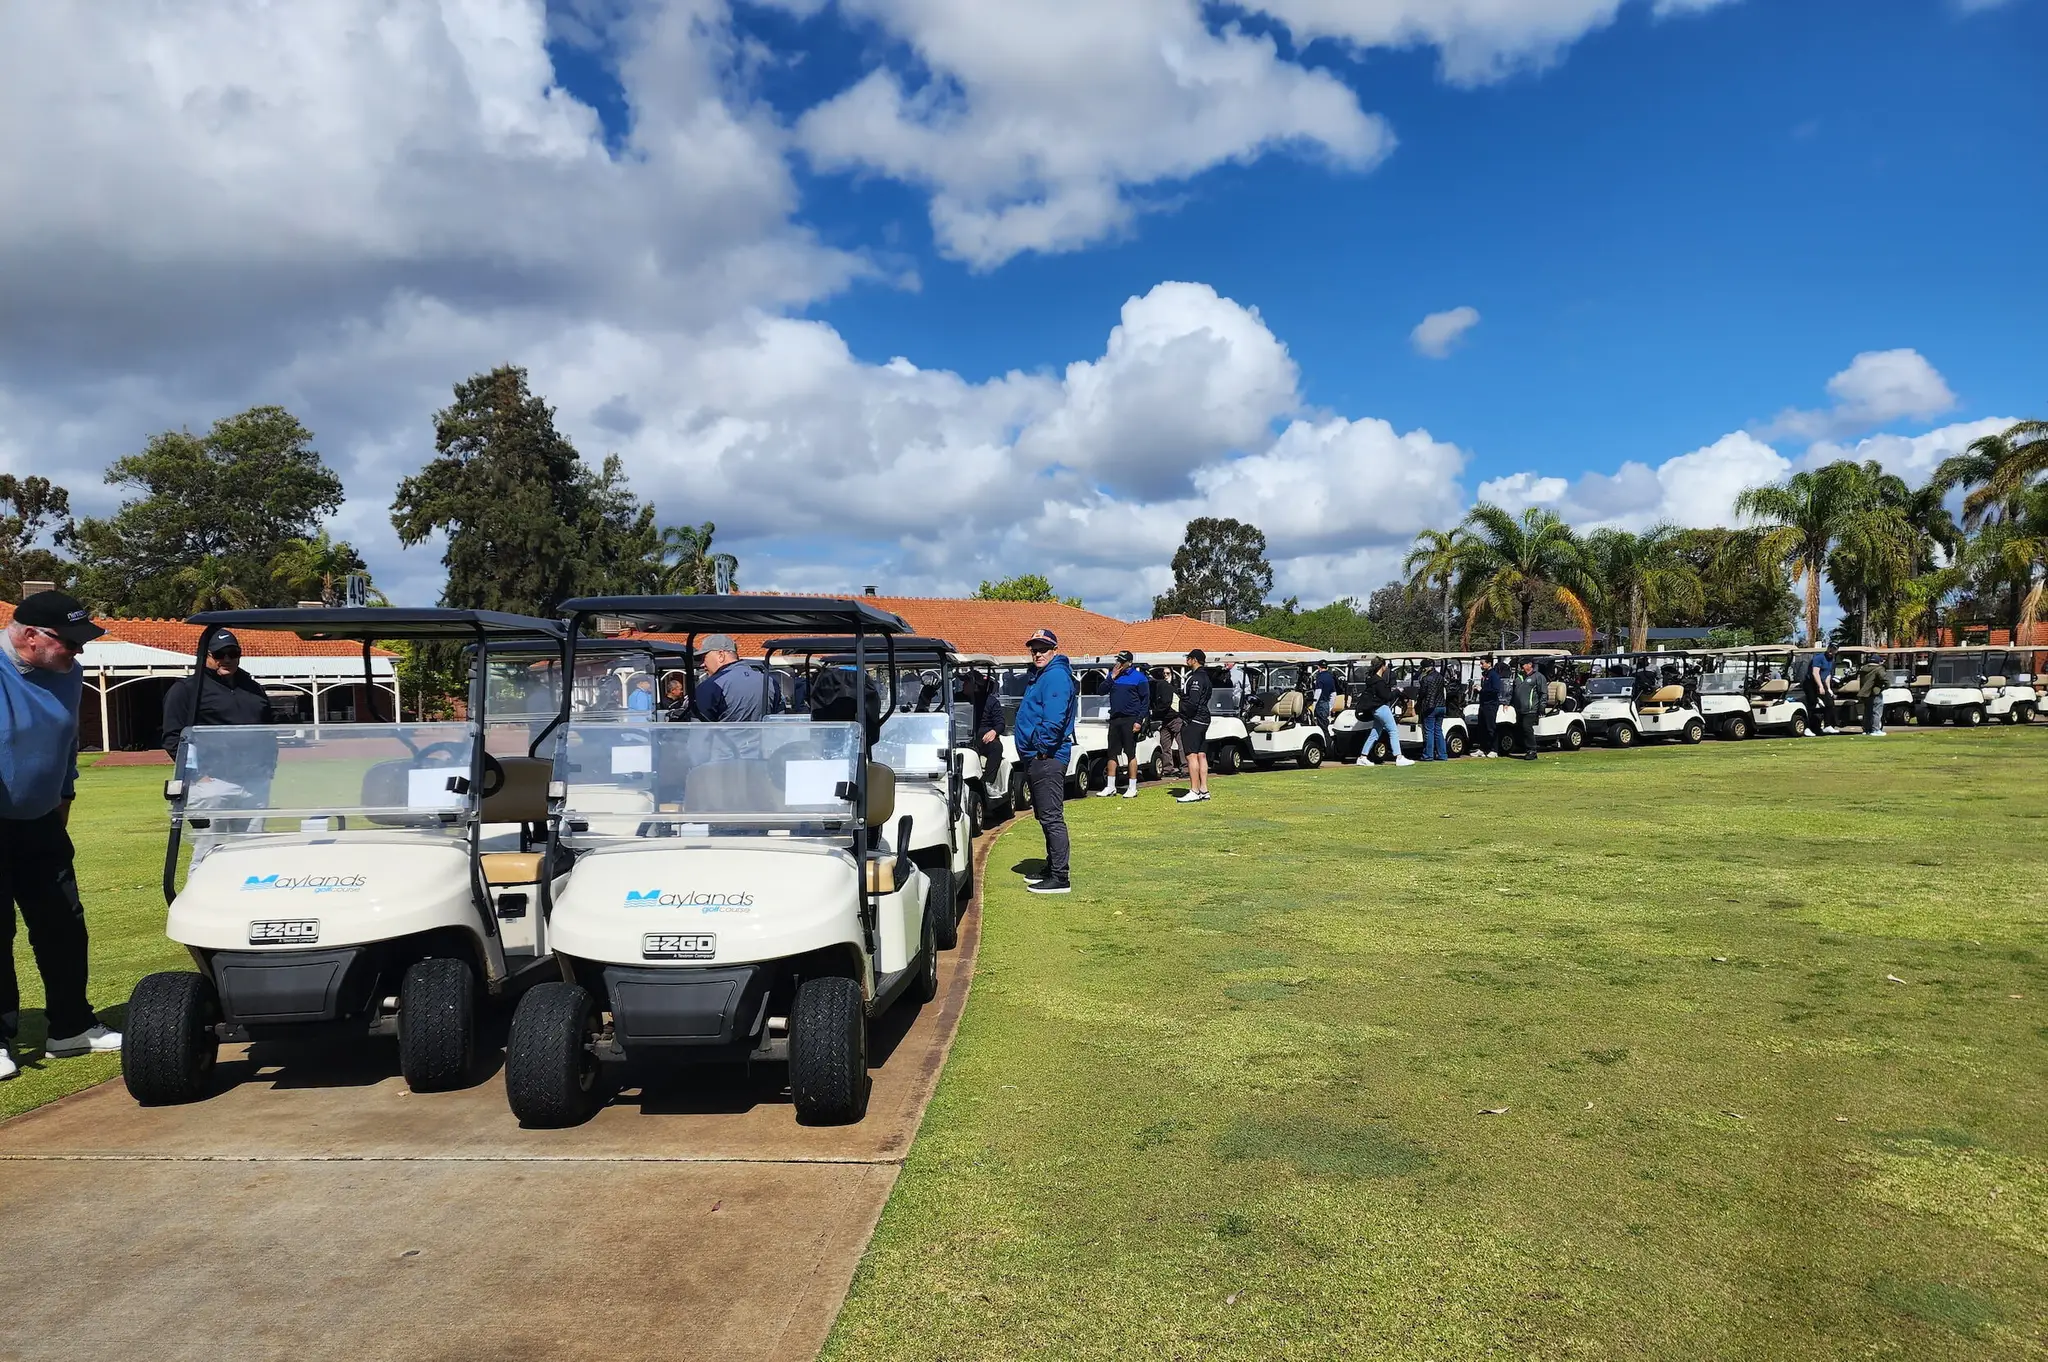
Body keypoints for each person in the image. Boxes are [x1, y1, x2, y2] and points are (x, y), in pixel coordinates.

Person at [2, 590, 120, 1078]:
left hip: (42, 820)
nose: (78, 653)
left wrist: (65, 794)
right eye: (69, 643)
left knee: (63, 925)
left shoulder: (67, 674)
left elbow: (66, 741)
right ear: (30, 636)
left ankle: (70, 1027)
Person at [162, 629, 281, 832]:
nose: (226, 659)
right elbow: (174, 738)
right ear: (206, 655)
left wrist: (268, 769)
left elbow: (268, 731)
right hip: (212, 783)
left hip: (254, 782)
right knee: (208, 848)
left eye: (232, 653)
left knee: (251, 848)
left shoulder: (254, 689)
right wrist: (198, 776)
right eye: (219, 654)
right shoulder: (187, 690)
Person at [1012, 629, 1077, 892]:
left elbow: (1054, 718)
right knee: (1045, 815)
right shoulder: (1042, 676)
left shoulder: (1056, 676)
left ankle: (1060, 877)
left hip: (1047, 757)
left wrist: (1041, 749)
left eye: (1043, 649)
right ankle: (1053, 867)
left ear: (1054, 650)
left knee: (1051, 817)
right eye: (1034, 649)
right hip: (1038, 756)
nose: (1038, 653)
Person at [1098, 650, 1150, 799]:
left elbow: (1145, 701)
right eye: (1118, 660)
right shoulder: (1113, 675)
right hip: (1115, 718)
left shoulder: (1139, 678)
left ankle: (1132, 787)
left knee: (1130, 753)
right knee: (1112, 753)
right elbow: (1101, 691)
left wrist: (1139, 721)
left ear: (1129, 662)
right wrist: (1112, 677)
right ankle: (1110, 786)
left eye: (1122, 661)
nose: (1119, 663)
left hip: (1130, 719)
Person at [691, 633, 777, 721]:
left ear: (721, 655)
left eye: (704, 658)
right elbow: (779, 720)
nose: (702, 664)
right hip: (764, 735)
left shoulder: (710, 686)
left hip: (724, 735)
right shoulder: (769, 681)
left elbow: (699, 730)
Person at [1353, 657, 1412, 767]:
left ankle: (1363, 756)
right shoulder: (1379, 681)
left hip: (1374, 709)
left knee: (1375, 733)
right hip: (1381, 708)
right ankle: (1399, 757)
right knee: (1393, 730)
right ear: (1382, 666)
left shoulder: (1370, 679)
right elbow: (1387, 696)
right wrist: (1397, 692)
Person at [1176, 650, 1214, 803]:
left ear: (1195, 660)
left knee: (1191, 755)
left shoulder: (1196, 678)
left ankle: (1194, 790)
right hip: (1203, 718)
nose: (1187, 660)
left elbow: (1193, 701)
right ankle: (1204, 789)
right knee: (1201, 754)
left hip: (1195, 719)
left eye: (1189, 658)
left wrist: (1184, 713)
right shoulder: (1206, 677)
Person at [1149, 666, 1182, 777]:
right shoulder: (1161, 686)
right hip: (1165, 719)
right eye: (1165, 673)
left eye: (1168, 673)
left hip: (1175, 718)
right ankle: (1168, 768)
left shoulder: (1165, 687)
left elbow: (1165, 703)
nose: (1166, 676)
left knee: (1179, 744)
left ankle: (1184, 768)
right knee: (1165, 745)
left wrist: (1154, 713)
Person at [1511, 657, 1545, 760]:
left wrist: (1542, 706)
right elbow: (1513, 692)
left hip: (1531, 708)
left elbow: (1543, 693)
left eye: (1524, 664)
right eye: (1521, 665)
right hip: (1518, 709)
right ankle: (1524, 748)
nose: (1522, 666)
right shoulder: (1518, 677)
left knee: (1527, 728)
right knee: (1519, 729)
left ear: (1530, 665)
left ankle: (1532, 750)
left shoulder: (1538, 677)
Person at [1801, 645, 1837, 737]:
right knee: (1812, 703)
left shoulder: (1832, 660)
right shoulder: (1819, 658)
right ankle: (1807, 728)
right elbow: (1815, 673)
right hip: (1810, 682)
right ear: (1828, 648)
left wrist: (1828, 689)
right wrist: (1820, 686)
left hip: (1821, 682)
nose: (1831, 651)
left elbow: (1828, 675)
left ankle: (1828, 725)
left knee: (1829, 702)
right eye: (1830, 648)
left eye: (1833, 649)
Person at [1417, 658, 1449, 761]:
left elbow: (1422, 694)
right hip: (1441, 706)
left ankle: (1428, 755)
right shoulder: (1440, 677)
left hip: (1430, 707)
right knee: (1438, 730)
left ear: (1425, 668)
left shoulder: (1426, 679)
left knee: (1429, 731)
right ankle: (1442, 754)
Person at [1474, 654, 1501, 758]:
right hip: (1483, 704)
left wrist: (1483, 690)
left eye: (1482, 663)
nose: (1481, 665)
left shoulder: (1493, 675)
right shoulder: (1485, 674)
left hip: (1491, 704)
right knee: (1482, 727)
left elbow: (1495, 690)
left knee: (1491, 727)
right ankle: (1482, 748)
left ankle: (1494, 749)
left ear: (1489, 663)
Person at [1857, 654, 1891, 736]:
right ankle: (1875, 729)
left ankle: (1866, 729)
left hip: (1865, 693)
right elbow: (1885, 680)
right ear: (1878, 661)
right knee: (1877, 711)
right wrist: (1886, 687)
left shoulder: (1863, 669)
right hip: (1875, 692)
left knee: (1867, 712)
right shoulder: (1879, 669)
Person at [1312, 661, 1337, 734]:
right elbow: (1333, 694)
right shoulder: (1330, 677)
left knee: (1322, 728)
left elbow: (1318, 692)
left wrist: (1314, 705)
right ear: (1327, 667)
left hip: (1320, 704)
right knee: (1325, 724)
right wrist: (1330, 706)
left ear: (1318, 667)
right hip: (1326, 704)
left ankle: (1326, 743)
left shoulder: (1319, 676)